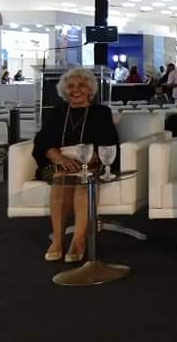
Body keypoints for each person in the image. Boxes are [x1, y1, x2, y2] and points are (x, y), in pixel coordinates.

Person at [31, 67, 119, 262]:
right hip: (57, 164)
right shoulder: (56, 113)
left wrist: (92, 157)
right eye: (70, 86)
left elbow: (109, 141)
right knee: (60, 177)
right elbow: (41, 142)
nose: (76, 90)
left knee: (83, 182)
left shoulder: (101, 112)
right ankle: (57, 239)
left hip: (89, 165)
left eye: (81, 85)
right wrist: (58, 157)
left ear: (90, 89)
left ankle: (78, 240)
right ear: (64, 91)